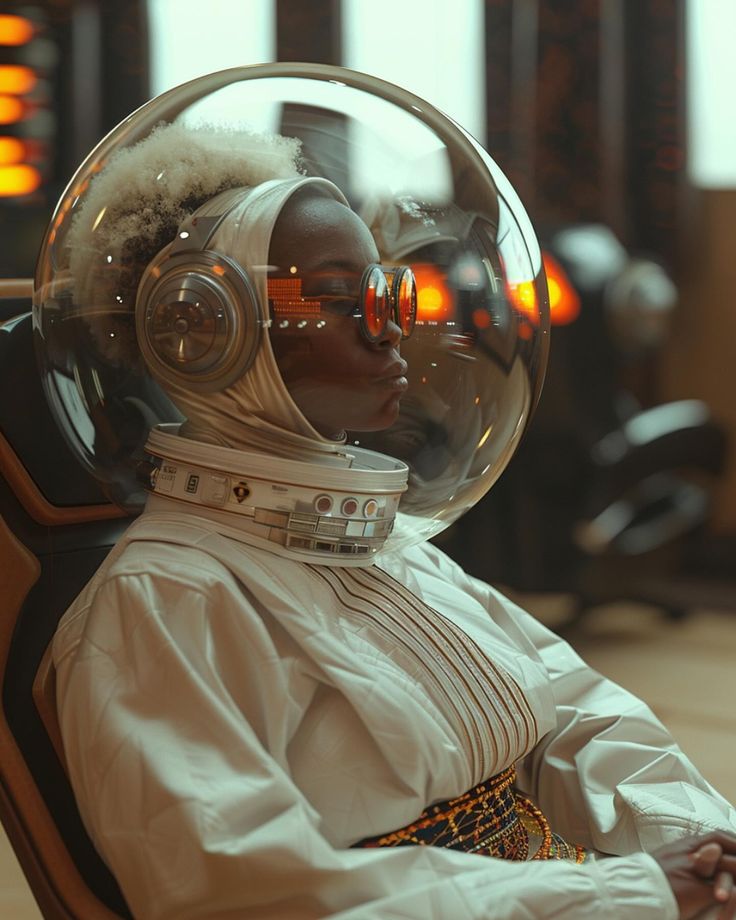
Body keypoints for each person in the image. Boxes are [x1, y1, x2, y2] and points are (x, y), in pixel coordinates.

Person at [39, 71, 736, 920]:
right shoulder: (165, 603)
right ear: (205, 332)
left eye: (390, 289)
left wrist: (697, 842)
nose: (390, 324)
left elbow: (577, 714)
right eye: (341, 297)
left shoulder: (386, 544)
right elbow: (254, 894)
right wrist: (625, 891)